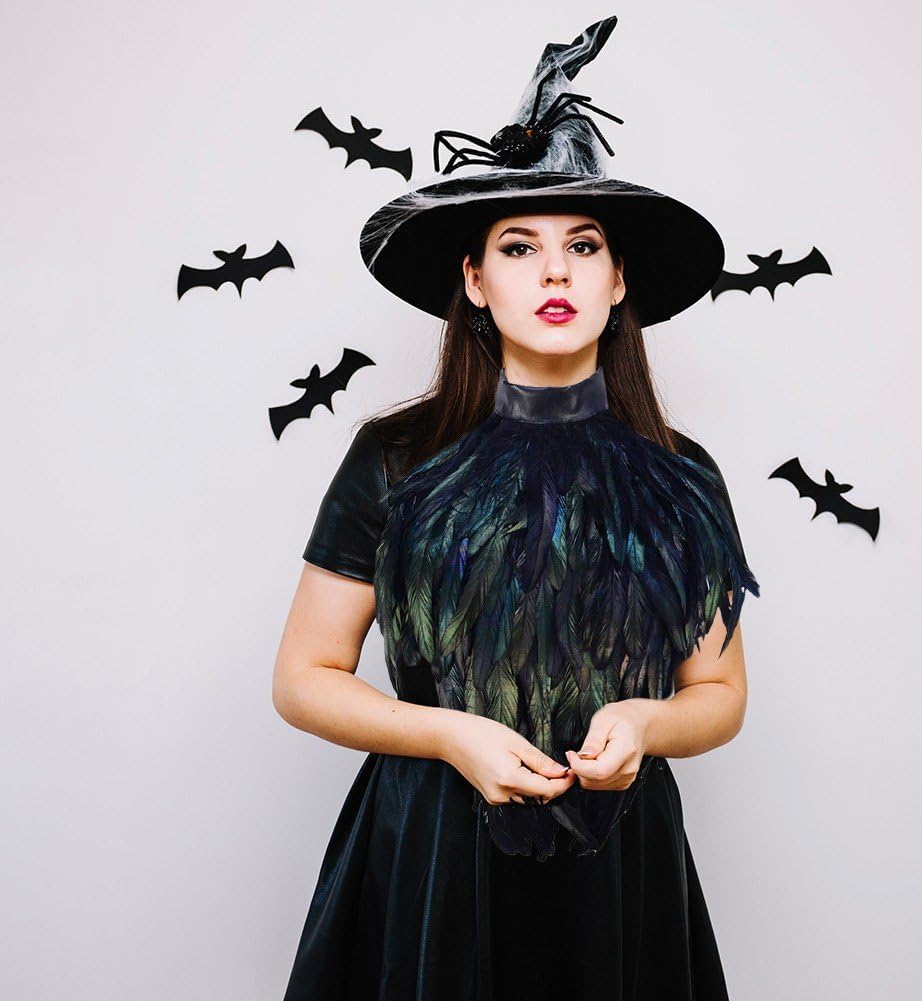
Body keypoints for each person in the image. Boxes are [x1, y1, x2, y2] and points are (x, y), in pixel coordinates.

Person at [274, 16, 760, 1001]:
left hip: (615, 860)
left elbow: (717, 693)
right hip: (431, 852)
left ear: (616, 281)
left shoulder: (681, 473)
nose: (554, 271)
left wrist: (644, 723)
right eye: (517, 245)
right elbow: (303, 676)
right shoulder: (394, 458)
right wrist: (447, 733)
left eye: (582, 245)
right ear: (474, 279)